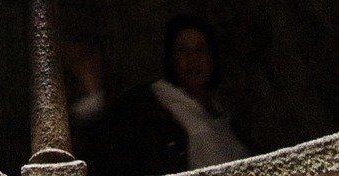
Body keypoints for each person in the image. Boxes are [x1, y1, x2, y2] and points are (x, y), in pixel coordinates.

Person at [70, 17, 249, 176]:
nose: (192, 60)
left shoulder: (224, 113)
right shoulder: (148, 102)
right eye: (182, 51)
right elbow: (108, 151)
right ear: (172, 58)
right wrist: (91, 91)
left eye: (200, 50)